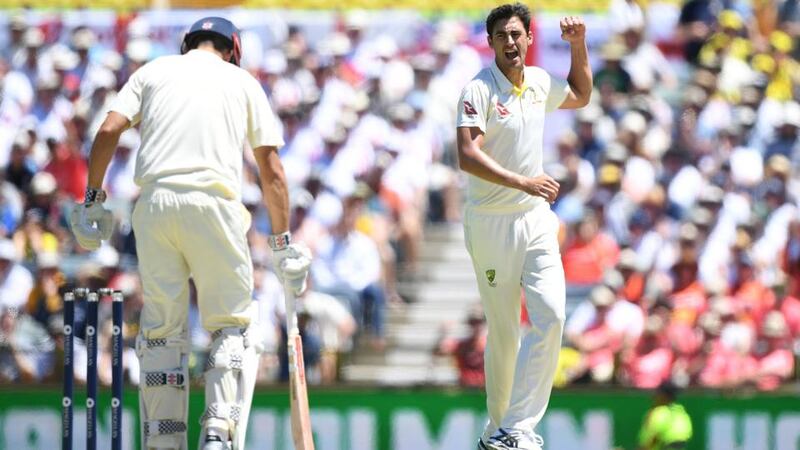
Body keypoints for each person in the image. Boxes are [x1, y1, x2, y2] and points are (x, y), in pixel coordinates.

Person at [69, 17, 311, 450]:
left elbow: (107, 131)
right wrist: (282, 243)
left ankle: (164, 439)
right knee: (230, 324)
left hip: (155, 206)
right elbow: (271, 170)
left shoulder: (152, 71)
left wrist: (92, 198)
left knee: (163, 329)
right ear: (233, 48)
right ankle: (217, 430)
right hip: (215, 206)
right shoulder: (242, 81)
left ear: (187, 45)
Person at [455, 4, 592, 449]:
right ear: (491, 42)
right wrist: (523, 182)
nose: (510, 43)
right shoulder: (477, 89)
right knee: (504, 330)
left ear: (529, 38)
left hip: (534, 219)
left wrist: (578, 46)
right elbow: (467, 154)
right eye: (501, 36)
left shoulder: (537, 83)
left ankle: (518, 425)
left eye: (516, 34)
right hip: (491, 222)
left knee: (551, 315)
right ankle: (499, 431)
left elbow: (580, 93)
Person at [637, 381, 693, 450]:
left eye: (658, 393)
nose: (654, 396)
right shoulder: (682, 413)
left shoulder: (660, 412)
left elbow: (652, 440)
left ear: (664, 396)